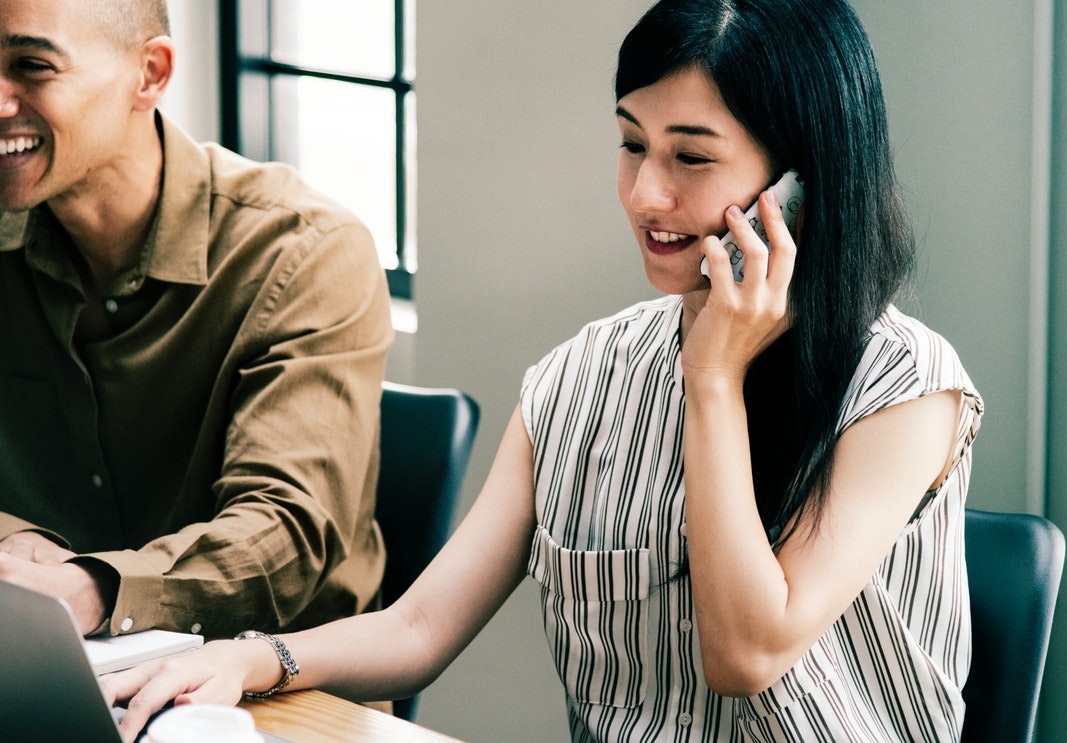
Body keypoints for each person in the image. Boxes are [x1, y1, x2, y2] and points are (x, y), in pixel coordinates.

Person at [104, 0, 983, 740]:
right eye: (633, 144)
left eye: (692, 156)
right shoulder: (577, 379)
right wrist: (254, 656)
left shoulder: (904, 387)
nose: (646, 194)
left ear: (800, 188)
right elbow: (420, 626)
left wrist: (713, 379)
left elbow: (745, 654)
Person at [0, 0, 392, 640]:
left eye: (33, 66)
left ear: (149, 74)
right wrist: (22, 551)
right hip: (37, 659)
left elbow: (284, 533)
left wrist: (96, 587)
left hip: (273, 690)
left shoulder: (304, 253)